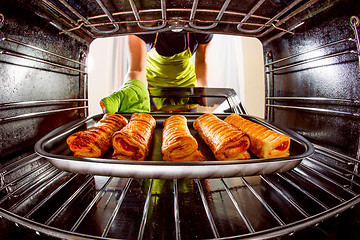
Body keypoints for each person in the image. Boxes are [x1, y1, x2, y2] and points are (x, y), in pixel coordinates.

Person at [100, 31, 213, 114]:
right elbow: (137, 69)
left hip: (186, 90)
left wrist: (203, 93)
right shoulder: (142, 24)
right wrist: (132, 88)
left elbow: (201, 62)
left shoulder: (201, 24)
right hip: (152, 91)